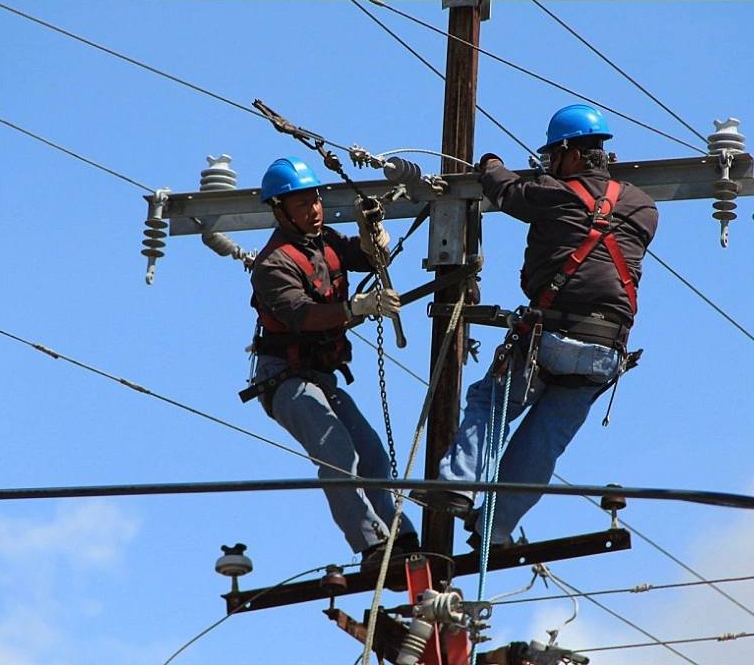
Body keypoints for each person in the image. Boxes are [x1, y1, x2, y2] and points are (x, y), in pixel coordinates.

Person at [415, 105, 659, 548]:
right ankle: (496, 527)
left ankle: (456, 483)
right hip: (605, 351)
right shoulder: (644, 208)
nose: (548, 166)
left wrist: (489, 163)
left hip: (549, 337)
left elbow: (505, 189)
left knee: (491, 404)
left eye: (552, 157)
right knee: (543, 441)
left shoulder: (553, 193)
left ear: (569, 153)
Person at [246, 156, 418, 568]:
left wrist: (372, 231)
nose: (314, 209)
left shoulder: (325, 243)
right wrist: (357, 307)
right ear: (280, 209)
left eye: (316, 199)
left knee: (372, 454)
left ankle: (400, 535)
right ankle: (372, 544)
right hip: (285, 379)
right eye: (302, 203)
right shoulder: (273, 264)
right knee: (337, 451)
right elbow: (302, 315)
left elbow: (368, 257)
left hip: (320, 378)